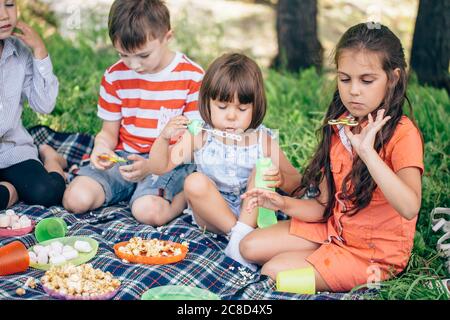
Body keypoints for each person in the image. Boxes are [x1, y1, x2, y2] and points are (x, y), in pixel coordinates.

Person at [240, 23, 424, 292]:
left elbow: (410, 207)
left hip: (373, 255)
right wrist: (283, 203)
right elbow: (322, 206)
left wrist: (368, 154)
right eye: (345, 79)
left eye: (367, 80)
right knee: (249, 246)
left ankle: (330, 266)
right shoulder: (342, 126)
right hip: (333, 230)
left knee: (275, 272)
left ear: (393, 78)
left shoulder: (403, 134)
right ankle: (323, 258)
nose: (354, 91)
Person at [148, 53, 300, 270]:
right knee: (193, 181)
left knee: (261, 170)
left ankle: (240, 237)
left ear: (255, 106)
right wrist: (164, 138)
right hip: (213, 215)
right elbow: (159, 167)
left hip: (253, 212)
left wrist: (280, 178)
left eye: (242, 108)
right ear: (207, 102)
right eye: (222, 107)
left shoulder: (262, 140)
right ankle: (239, 239)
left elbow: (296, 184)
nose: (231, 116)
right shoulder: (201, 134)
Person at [62, 0, 204, 226]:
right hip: (124, 157)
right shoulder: (115, 76)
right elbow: (108, 132)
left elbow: (193, 141)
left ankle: (182, 198)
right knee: (75, 199)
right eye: (123, 55)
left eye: (143, 55)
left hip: (170, 161)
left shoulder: (192, 77)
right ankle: (131, 191)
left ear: (167, 37)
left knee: (149, 213)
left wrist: (152, 166)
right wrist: (101, 148)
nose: (133, 65)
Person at [0, 0, 67, 210]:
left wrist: (39, 50)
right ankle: (10, 190)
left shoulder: (19, 52)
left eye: (9, 4)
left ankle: (50, 156)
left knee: (46, 193)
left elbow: (44, 105)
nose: (4, 14)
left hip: (12, 150)